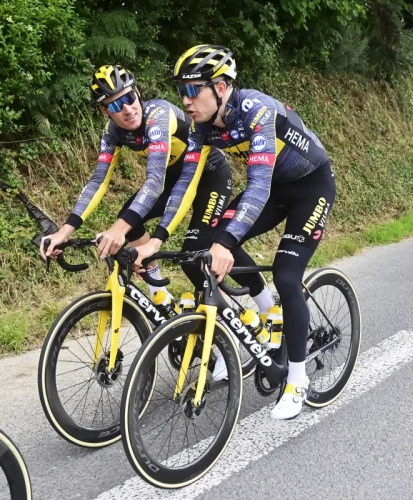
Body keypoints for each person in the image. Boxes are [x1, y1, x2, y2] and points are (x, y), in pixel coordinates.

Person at [133, 45, 337, 420]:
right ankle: (267, 314)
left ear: (222, 87)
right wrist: (158, 238)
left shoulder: (256, 110)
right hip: (275, 189)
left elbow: (256, 188)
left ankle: (296, 377)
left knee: (286, 274)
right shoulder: (202, 127)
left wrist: (227, 243)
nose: (186, 100)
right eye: (182, 91)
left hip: (311, 187)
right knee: (203, 244)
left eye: (194, 90)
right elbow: (184, 187)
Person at [40, 64, 232, 299]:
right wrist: (64, 232)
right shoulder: (113, 132)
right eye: (115, 105)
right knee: (130, 220)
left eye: (129, 98)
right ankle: (161, 297)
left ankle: (256, 310)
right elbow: (98, 181)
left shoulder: (158, 115)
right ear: (104, 111)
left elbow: (154, 181)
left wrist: (118, 230)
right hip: (173, 179)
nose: (127, 109)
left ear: (138, 93)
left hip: (210, 178)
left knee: (193, 256)